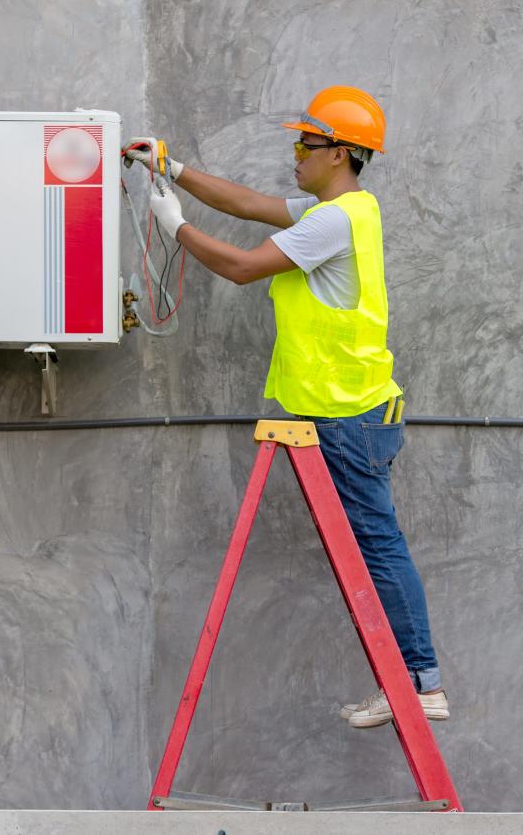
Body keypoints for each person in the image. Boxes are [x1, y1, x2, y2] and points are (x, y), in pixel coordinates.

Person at [127, 86, 447, 727]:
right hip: (349, 410)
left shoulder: (332, 221)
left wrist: (176, 227)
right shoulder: (345, 209)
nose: (295, 152)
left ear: (342, 154)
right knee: (373, 547)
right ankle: (413, 680)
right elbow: (248, 204)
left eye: (307, 143)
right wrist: (175, 169)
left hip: (347, 415)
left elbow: (245, 268)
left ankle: (418, 683)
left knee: (378, 549)